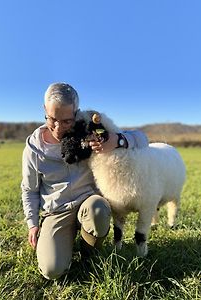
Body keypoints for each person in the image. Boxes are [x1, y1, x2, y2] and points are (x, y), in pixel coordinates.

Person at [21, 82, 149, 280]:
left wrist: (117, 140)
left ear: (76, 113)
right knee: (52, 270)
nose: (58, 128)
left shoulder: (88, 127)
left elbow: (142, 138)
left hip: (88, 204)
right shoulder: (34, 149)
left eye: (66, 121)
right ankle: (63, 241)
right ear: (45, 110)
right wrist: (32, 223)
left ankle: (89, 253)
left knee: (98, 209)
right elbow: (29, 189)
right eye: (52, 119)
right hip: (57, 211)